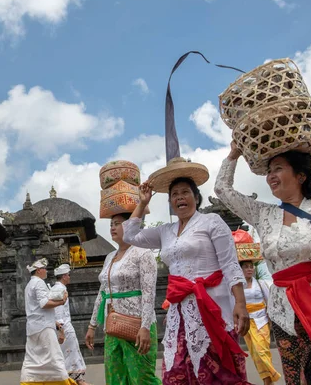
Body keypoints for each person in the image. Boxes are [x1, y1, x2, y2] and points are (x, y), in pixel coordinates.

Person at [215, 145, 311, 384]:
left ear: (301, 175)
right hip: (285, 314)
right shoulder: (263, 214)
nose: (270, 176)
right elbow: (222, 190)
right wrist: (234, 154)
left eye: (278, 169)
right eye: (269, 171)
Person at [123, 157, 250, 384]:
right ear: (171, 202)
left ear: (196, 197)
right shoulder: (165, 231)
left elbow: (230, 263)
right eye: (174, 194)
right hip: (179, 312)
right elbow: (130, 236)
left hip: (212, 307)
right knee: (177, 374)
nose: (179, 197)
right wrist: (142, 203)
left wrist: (240, 303)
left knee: (216, 374)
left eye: (185, 192)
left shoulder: (211, 221)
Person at [85, 213, 160, 385]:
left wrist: (145, 326)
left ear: (131, 226)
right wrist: (92, 325)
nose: (112, 227)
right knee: (115, 378)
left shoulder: (143, 253)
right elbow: (102, 292)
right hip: (113, 326)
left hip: (137, 324)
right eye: (111, 224)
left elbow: (149, 294)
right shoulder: (109, 257)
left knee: (142, 378)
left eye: (117, 223)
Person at [21, 258, 76, 385]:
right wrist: (62, 301)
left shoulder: (29, 285)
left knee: (32, 359)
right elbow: (44, 303)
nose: (46, 271)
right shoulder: (39, 283)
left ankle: (28, 382)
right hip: (44, 326)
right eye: (44, 269)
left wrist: (55, 323)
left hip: (33, 327)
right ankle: (63, 382)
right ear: (39, 270)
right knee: (55, 356)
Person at [239, 257, 281, 385]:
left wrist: (273, 320)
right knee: (255, 354)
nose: (249, 269)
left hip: (261, 320)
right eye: (246, 267)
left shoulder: (261, 284)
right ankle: (267, 381)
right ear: (241, 270)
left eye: (251, 266)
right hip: (247, 322)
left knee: (262, 350)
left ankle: (273, 375)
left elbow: (269, 302)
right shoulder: (238, 287)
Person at [51, 264, 90, 385]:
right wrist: (61, 330)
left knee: (71, 353)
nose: (69, 277)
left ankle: (77, 379)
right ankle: (77, 380)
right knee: (70, 354)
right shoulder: (59, 290)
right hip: (64, 328)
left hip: (65, 326)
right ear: (63, 276)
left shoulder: (58, 288)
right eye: (68, 275)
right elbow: (58, 312)